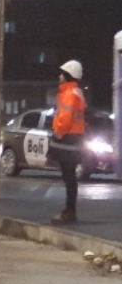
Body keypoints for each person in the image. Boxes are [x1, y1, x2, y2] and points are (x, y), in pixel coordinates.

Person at [49, 60, 86, 224]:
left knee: (69, 176)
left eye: (62, 73)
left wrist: (56, 135)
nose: (59, 76)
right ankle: (70, 210)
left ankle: (70, 211)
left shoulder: (70, 94)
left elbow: (65, 119)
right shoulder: (74, 92)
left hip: (68, 140)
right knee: (69, 176)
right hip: (73, 139)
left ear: (68, 75)